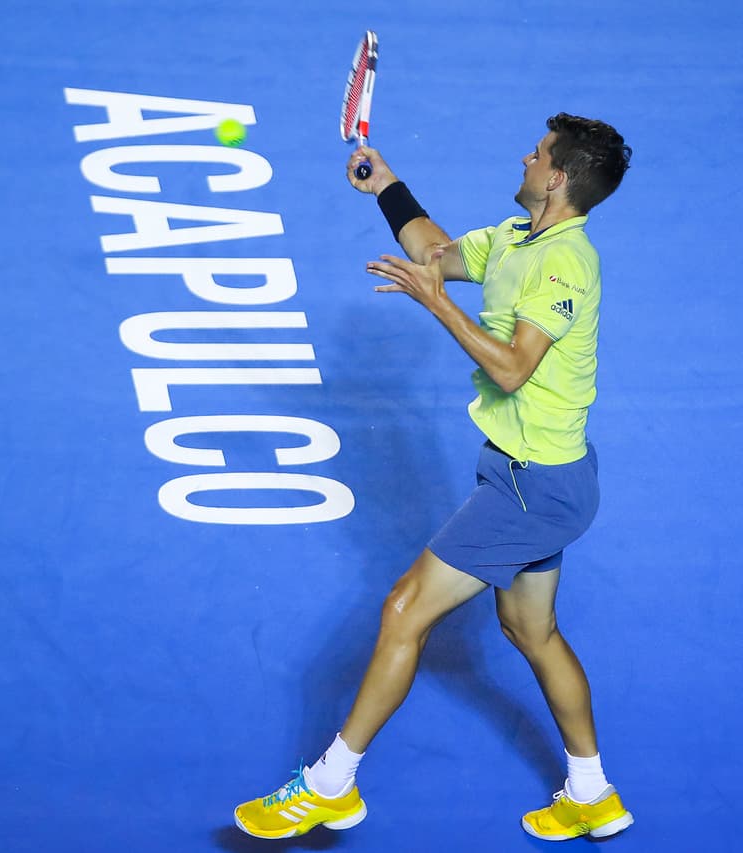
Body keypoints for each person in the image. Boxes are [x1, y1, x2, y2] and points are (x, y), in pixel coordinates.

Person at [233, 113, 633, 843]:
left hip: (532, 488)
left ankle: (330, 784)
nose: (525, 155)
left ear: (557, 178)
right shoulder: (518, 238)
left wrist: (436, 303)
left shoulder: (564, 264)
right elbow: (437, 253)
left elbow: (512, 369)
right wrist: (387, 186)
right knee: (531, 629)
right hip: (544, 478)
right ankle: (592, 793)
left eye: (537, 153)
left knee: (402, 609)